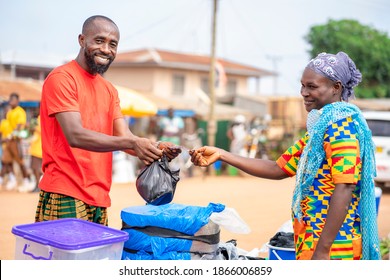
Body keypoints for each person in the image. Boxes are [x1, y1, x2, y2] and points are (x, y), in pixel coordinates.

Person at [190, 52, 381, 260]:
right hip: (314, 240)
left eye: (312, 86)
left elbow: (344, 187)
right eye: (302, 85)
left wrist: (323, 251)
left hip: (335, 248)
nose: (304, 93)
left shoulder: (341, 128)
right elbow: (279, 168)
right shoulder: (320, 131)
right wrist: (222, 154)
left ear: (336, 88)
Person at [35, 15, 180, 225]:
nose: (106, 49)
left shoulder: (109, 90)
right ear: (82, 40)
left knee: (95, 257)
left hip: (100, 196)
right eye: (99, 41)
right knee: (64, 258)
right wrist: (132, 143)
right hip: (65, 190)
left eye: (113, 44)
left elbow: (124, 137)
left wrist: (154, 147)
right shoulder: (62, 78)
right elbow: (76, 135)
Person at [2, 93, 34, 191]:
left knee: (20, 162)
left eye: (13, 100)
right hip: (9, 141)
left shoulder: (20, 111)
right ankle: (12, 180)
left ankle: (26, 181)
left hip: (16, 140)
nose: (11, 102)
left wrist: (11, 135)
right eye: (10, 100)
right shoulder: (9, 112)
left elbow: (19, 126)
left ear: (17, 101)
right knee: (5, 160)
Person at [0, 104, 15, 190]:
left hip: (12, 145)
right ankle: (11, 179)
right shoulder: (3, 122)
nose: (7, 112)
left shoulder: (12, 123)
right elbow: (1, 135)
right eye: (6, 111)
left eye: (8, 110)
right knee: (6, 163)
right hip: (4, 146)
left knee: (7, 163)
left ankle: (7, 179)